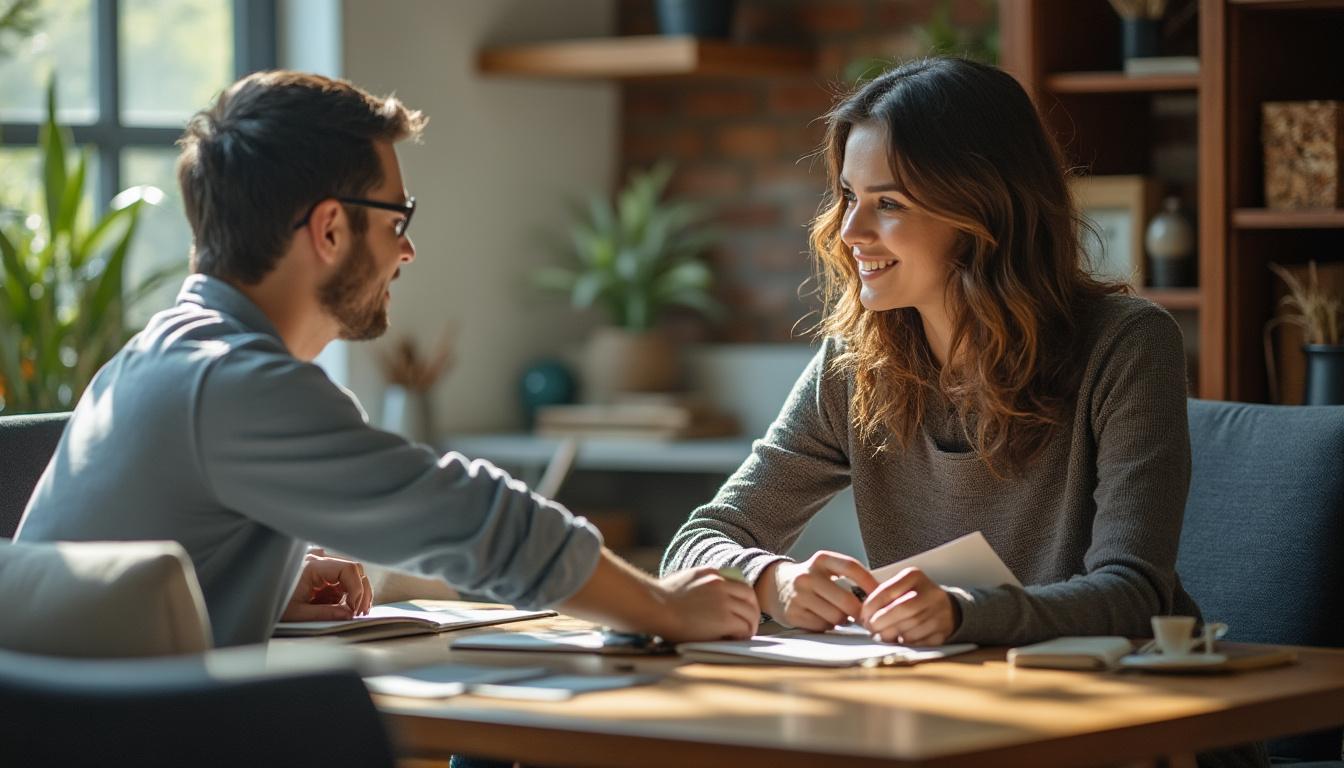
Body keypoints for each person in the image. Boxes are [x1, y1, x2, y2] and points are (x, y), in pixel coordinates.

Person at [15, 70, 758, 649]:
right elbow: (470, 516)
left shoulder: (156, 359)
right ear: (331, 229)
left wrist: (272, 581)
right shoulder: (236, 382)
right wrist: (664, 606)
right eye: (396, 218)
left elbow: (131, 588)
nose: (407, 249)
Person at [661, 58, 1265, 767]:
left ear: (982, 213)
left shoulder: (1129, 344)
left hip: (1126, 734)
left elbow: (1135, 594)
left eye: (888, 203)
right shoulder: (854, 363)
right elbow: (698, 541)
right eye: (849, 196)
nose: (850, 229)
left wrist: (958, 613)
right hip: (952, 724)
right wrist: (774, 580)